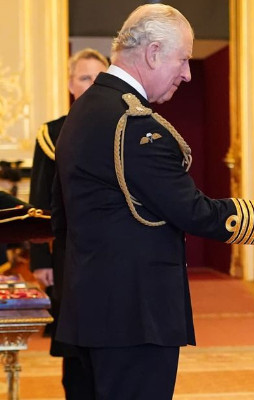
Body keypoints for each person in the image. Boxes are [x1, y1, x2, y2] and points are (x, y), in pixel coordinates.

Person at [52, 4, 254, 399]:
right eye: (183, 59)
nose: (187, 74)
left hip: (92, 310)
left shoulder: (84, 111)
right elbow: (194, 211)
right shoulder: (133, 125)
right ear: (153, 52)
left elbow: (61, 218)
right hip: (135, 318)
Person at [28, 48, 109, 400]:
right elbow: (39, 200)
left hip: (114, 252)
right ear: (70, 84)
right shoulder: (52, 134)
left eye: (99, 78)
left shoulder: (124, 128)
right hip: (69, 253)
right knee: (74, 339)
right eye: (84, 77)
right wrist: (40, 258)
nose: (91, 85)